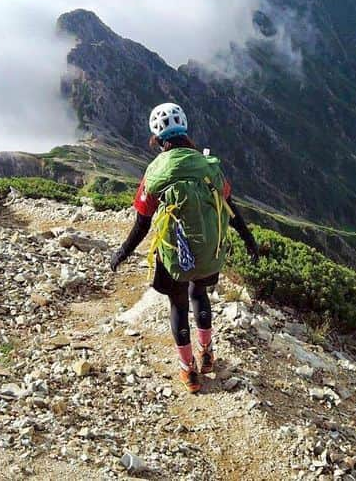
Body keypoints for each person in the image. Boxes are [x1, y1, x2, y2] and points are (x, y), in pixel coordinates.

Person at [109, 102, 260, 393]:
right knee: (199, 294)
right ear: (185, 131)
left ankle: (188, 370)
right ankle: (207, 353)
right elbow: (230, 208)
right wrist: (249, 239)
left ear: (157, 138)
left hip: (176, 259)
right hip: (209, 255)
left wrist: (121, 253)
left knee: (178, 305)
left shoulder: (154, 174)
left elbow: (142, 224)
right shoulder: (208, 166)